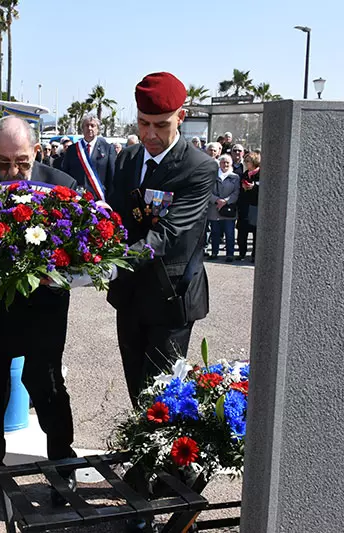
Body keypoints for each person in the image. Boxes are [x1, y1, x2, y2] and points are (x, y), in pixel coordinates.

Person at [0, 116, 80, 512]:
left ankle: (63, 469)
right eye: (4, 162)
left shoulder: (63, 185)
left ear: (36, 152)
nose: (13, 173)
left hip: (42, 312)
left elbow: (79, 250)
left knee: (48, 389)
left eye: (22, 163)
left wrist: (58, 274)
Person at [108, 71, 217, 404]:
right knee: (135, 388)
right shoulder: (127, 159)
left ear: (180, 117)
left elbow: (167, 234)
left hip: (170, 297)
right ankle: (140, 453)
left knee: (160, 397)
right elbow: (115, 218)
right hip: (128, 296)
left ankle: (155, 455)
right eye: (143, 124)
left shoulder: (198, 167)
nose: (150, 134)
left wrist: (111, 265)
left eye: (160, 125)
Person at [61, 114, 116, 201]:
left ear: (97, 129)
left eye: (93, 126)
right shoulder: (72, 149)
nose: (90, 128)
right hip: (76, 198)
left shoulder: (108, 148)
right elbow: (65, 174)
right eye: (87, 126)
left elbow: (112, 176)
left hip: (99, 198)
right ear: (82, 129)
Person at [208, 154, 240, 262]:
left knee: (229, 233)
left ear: (230, 164)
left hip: (229, 210)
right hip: (214, 208)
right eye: (223, 162)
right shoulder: (212, 176)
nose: (225, 164)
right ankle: (214, 252)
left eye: (227, 162)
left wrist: (226, 201)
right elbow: (208, 191)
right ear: (219, 163)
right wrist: (217, 200)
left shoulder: (235, 177)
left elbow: (236, 192)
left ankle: (230, 254)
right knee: (215, 232)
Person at [237, 151, 260, 262]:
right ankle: (242, 253)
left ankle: (255, 255)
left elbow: (263, 186)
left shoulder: (260, 173)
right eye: (245, 161)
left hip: (255, 207)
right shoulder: (245, 174)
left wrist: (254, 186)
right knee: (242, 231)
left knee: (256, 232)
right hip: (244, 207)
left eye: (248, 161)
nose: (246, 163)